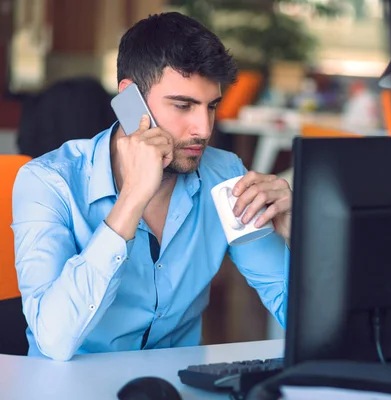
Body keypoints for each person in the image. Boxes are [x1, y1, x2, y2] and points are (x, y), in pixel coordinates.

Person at [11, 12, 292, 361]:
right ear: (131, 100)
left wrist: (305, 239)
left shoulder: (225, 176)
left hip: (177, 386)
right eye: (183, 105)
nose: (203, 129)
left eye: (212, 107)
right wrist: (131, 199)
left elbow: (296, 313)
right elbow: (53, 341)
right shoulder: (48, 182)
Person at [17, 76, 116, 158]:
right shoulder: (96, 95)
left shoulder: (42, 101)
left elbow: (25, 144)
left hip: (45, 171)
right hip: (93, 170)